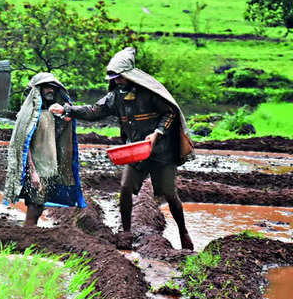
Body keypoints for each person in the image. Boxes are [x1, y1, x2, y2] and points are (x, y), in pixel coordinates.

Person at [50, 47, 195, 250]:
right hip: (135, 150)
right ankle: (126, 232)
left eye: (120, 77)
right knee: (125, 188)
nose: (117, 81)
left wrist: (156, 133)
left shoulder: (149, 93)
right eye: (114, 78)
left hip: (162, 152)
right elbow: (94, 110)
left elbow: (170, 113)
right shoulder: (115, 96)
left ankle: (183, 232)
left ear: (129, 75)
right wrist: (67, 110)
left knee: (170, 195)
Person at [4, 72, 86, 226]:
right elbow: (23, 145)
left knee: (40, 204)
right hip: (35, 168)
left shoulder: (52, 112)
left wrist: (65, 120)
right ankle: (28, 234)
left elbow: (56, 138)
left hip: (49, 166)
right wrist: (33, 172)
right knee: (34, 204)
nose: (51, 90)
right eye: (47, 87)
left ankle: (30, 233)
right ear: (39, 90)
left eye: (53, 88)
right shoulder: (29, 115)